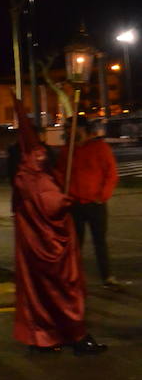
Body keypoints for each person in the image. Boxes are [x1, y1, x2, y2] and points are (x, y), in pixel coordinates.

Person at [11, 100, 106, 355]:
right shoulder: (35, 179)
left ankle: (45, 338)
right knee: (66, 291)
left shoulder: (25, 177)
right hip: (51, 248)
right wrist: (68, 200)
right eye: (40, 150)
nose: (43, 152)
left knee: (42, 294)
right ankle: (77, 337)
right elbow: (51, 204)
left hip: (38, 247)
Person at [57, 120, 121, 288]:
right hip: (75, 204)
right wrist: (65, 193)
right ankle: (74, 277)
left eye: (71, 129)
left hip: (95, 204)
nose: (69, 132)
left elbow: (111, 173)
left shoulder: (100, 148)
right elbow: (61, 173)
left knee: (100, 242)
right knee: (75, 244)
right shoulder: (67, 151)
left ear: (82, 129)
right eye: (66, 130)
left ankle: (107, 276)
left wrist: (103, 196)